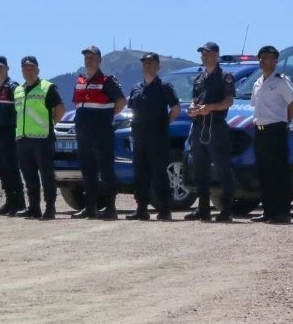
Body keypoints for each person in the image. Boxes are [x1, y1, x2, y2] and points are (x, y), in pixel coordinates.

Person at [72, 45, 126, 219]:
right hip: (83, 132)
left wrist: (107, 116)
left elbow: (121, 101)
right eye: (87, 57)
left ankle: (110, 208)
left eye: (92, 57)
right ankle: (90, 207)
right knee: (88, 170)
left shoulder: (107, 81)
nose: (89, 60)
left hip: (101, 132)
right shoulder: (80, 81)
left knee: (106, 169)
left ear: (100, 60)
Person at [126, 52, 181, 221]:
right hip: (139, 136)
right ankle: (141, 208)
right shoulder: (136, 88)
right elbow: (131, 109)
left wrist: (165, 123)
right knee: (140, 172)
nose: (147, 65)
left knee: (159, 173)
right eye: (145, 63)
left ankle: (165, 209)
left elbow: (176, 108)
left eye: (151, 63)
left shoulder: (164, 87)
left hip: (157, 137)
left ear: (158, 66)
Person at [185, 42, 236, 222]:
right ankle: (203, 209)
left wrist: (210, 108)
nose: (203, 56)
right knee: (200, 170)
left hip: (216, 126)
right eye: (202, 54)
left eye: (207, 53)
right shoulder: (199, 78)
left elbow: (229, 101)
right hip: (199, 127)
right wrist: (193, 108)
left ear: (216, 54)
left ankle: (227, 210)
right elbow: (194, 99)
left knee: (222, 169)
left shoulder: (225, 77)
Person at [249, 45, 293, 225]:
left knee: (278, 172)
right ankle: (268, 211)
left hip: (275, 130)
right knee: (264, 173)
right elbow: (255, 105)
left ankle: (282, 212)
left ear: (276, 61)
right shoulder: (257, 82)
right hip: (260, 131)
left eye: (269, 58)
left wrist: (285, 122)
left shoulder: (280, 81)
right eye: (261, 58)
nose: (264, 61)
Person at [14, 56, 65, 220]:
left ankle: (50, 208)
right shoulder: (18, 90)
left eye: (31, 68)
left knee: (46, 175)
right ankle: (34, 207)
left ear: (38, 69)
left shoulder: (47, 87)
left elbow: (60, 109)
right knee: (29, 175)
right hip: (23, 138)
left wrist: (50, 124)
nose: (28, 71)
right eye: (25, 68)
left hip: (42, 138)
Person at [0, 56, 25, 216]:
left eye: (1, 67)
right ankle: (10, 201)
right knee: (0, 168)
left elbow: (20, 110)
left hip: (10, 133)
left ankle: (19, 203)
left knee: (11, 168)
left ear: (7, 68)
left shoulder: (14, 87)